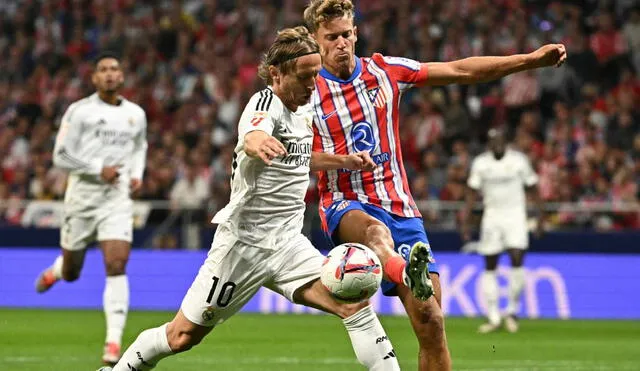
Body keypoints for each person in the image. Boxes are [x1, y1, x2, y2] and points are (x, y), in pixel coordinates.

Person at [98, 26, 401, 371]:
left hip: (288, 244)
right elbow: (255, 134)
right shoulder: (264, 103)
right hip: (243, 246)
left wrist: (342, 161)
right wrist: (258, 143)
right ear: (276, 73)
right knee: (182, 336)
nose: (311, 85)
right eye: (304, 77)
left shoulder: (303, 110)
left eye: (315, 75)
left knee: (353, 303)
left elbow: (298, 156)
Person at [302, 1, 566, 369]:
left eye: (346, 34)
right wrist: (341, 161)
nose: (341, 43)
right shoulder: (306, 92)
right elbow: (294, 156)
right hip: (345, 204)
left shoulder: (385, 71)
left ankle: (407, 270)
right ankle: (403, 268)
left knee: (433, 323)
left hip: (400, 207)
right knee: (377, 235)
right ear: (316, 40)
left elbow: (459, 70)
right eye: (331, 37)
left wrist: (529, 60)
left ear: (356, 33)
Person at [33, 51, 148, 365]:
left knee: (116, 264)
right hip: (82, 200)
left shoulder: (136, 114)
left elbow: (140, 146)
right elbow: (61, 156)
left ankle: (112, 344)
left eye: (115, 68)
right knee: (73, 271)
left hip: (117, 199)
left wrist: (136, 175)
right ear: (94, 78)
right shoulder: (80, 111)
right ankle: (57, 271)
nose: (110, 74)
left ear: (121, 76)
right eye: (103, 70)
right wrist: (98, 168)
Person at [461, 128, 543, 334]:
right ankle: (493, 316)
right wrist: (466, 219)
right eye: (491, 141)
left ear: (505, 141)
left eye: (499, 140)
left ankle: (513, 311)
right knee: (490, 265)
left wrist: (540, 217)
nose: (496, 144)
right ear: (488, 144)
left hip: (516, 216)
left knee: (517, 258)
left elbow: (533, 187)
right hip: (492, 217)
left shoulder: (519, 161)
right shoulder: (481, 163)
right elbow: (471, 192)